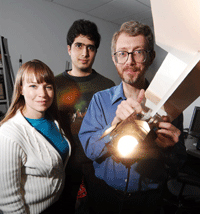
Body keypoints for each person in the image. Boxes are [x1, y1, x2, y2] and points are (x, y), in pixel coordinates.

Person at [78, 21, 187, 214]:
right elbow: (89, 149)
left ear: (151, 57)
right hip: (104, 197)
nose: (129, 61)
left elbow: (178, 164)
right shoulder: (100, 101)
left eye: (138, 52)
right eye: (122, 53)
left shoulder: (170, 107)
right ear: (114, 59)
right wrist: (113, 128)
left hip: (147, 202)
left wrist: (170, 150)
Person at [55, 19, 115, 212]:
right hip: (64, 165)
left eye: (91, 47)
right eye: (79, 45)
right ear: (69, 49)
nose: (84, 53)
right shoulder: (53, 85)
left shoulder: (108, 87)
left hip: (97, 165)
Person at [0, 59, 71, 214]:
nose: (43, 94)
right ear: (21, 89)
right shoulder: (8, 135)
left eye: (48, 87)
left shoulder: (54, 120)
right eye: (33, 86)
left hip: (59, 204)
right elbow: (8, 202)